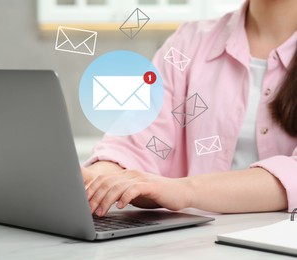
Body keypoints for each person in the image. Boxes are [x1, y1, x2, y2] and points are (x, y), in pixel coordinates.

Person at [82, 0, 297, 217]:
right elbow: (137, 140)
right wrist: (99, 177)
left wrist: (183, 190)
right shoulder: (189, 41)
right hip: (196, 244)